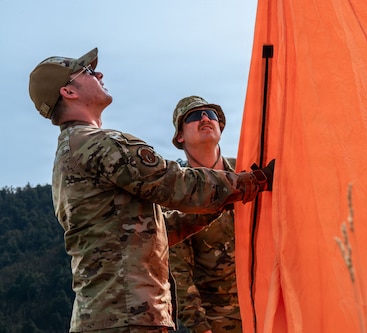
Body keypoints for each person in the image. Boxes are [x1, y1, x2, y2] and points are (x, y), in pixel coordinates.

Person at [28, 47, 275, 333]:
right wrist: (253, 182)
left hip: (113, 316)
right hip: (129, 318)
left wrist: (217, 205)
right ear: (69, 92)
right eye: (87, 72)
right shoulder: (99, 144)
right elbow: (176, 184)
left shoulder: (72, 150)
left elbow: (150, 232)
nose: (99, 74)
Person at [168, 96, 241, 333]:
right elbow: (180, 278)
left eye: (211, 114)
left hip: (272, 305)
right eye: (193, 116)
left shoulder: (250, 172)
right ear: (180, 136)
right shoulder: (176, 195)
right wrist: (201, 329)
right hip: (223, 320)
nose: (204, 118)